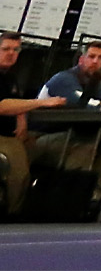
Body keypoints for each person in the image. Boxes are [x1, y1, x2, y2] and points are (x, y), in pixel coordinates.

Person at [32, 42, 101, 220]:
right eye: (92, 56)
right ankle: (76, 200)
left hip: (72, 137)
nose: (95, 61)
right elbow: (82, 103)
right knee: (85, 146)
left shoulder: (94, 83)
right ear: (81, 59)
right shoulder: (64, 78)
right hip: (41, 138)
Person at [0, 32, 66, 216]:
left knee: (51, 152)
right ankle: (11, 215)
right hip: (3, 138)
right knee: (19, 172)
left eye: (15, 49)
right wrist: (42, 102)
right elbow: (2, 106)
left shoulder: (10, 77)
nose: (11, 53)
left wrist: (22, 121)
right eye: (5, 49)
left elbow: (16, 102)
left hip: (14, 135)